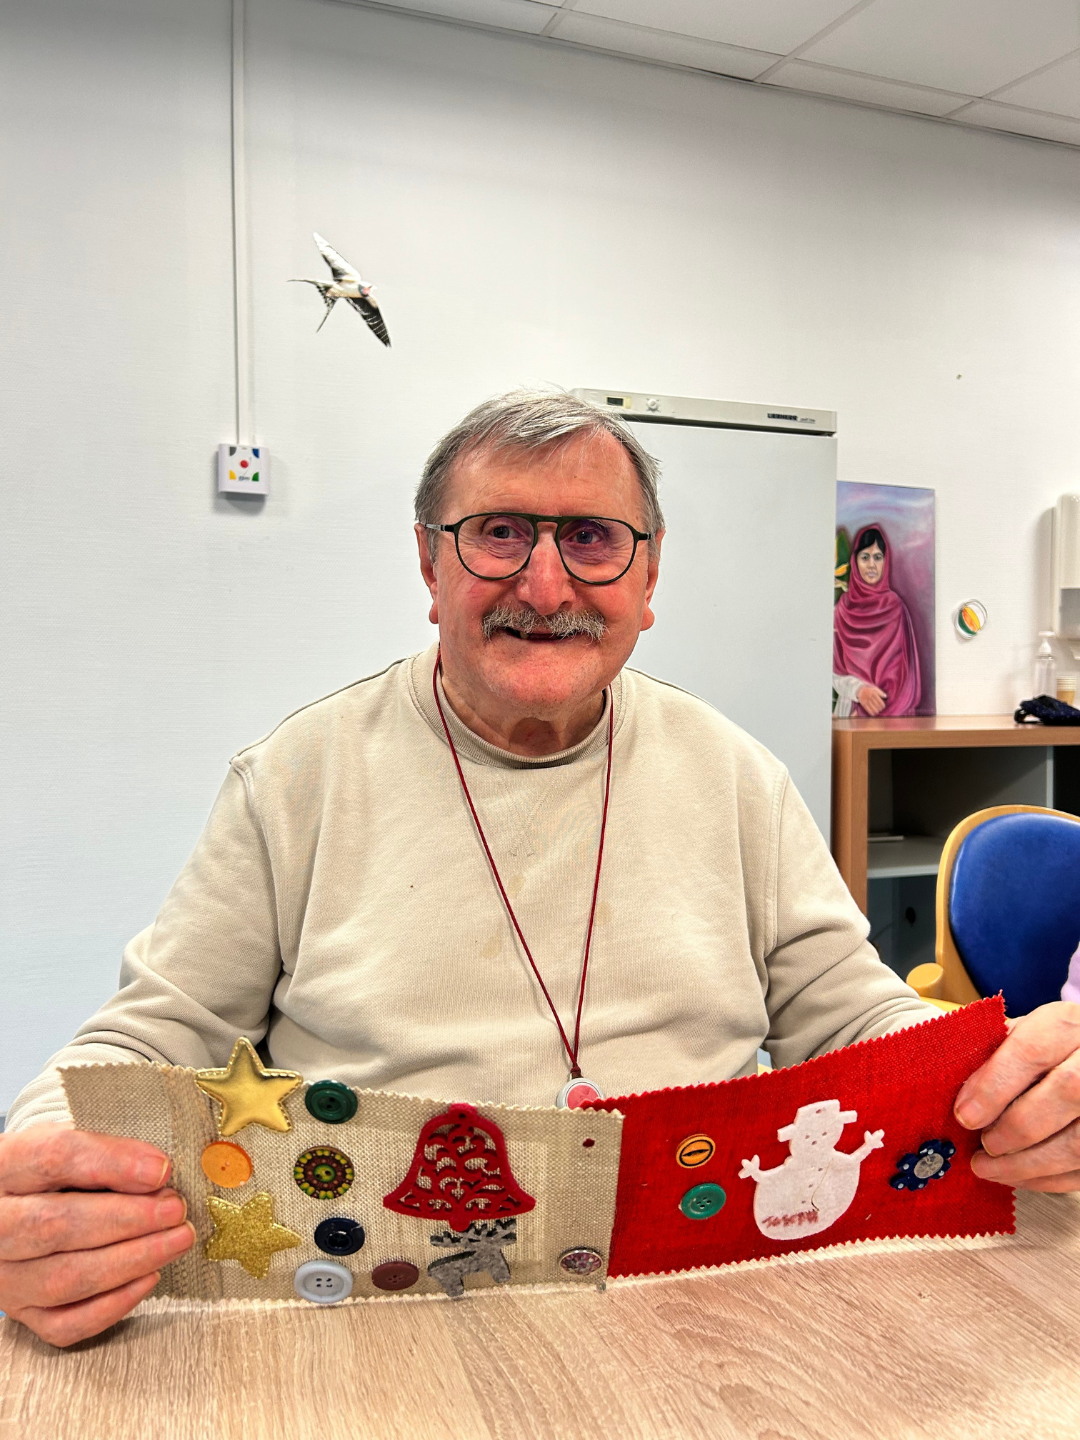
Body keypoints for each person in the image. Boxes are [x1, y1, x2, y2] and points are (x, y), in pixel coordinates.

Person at [2, 391, 1079, 1349]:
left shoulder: (738, 776)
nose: (546, 582)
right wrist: (41, 1174)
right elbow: (142, 1043)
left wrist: (1014, 1087)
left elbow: (856, 1022)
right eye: (500, 533)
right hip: (375, 1319)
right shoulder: (293, 779)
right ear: (429, 564)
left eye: (593, 538)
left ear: (648, 577)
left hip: (701, 1304)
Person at [832, 525, 921, 717]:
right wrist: (859, 690)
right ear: (855, 562)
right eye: (865, 557)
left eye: (878, 557)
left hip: (892, 718)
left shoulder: (896, 609)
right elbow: (834, 672)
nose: (872, 565)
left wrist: (875, 712)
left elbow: (907, 678)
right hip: (850, 716)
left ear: (885, 563)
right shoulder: (841, 610)